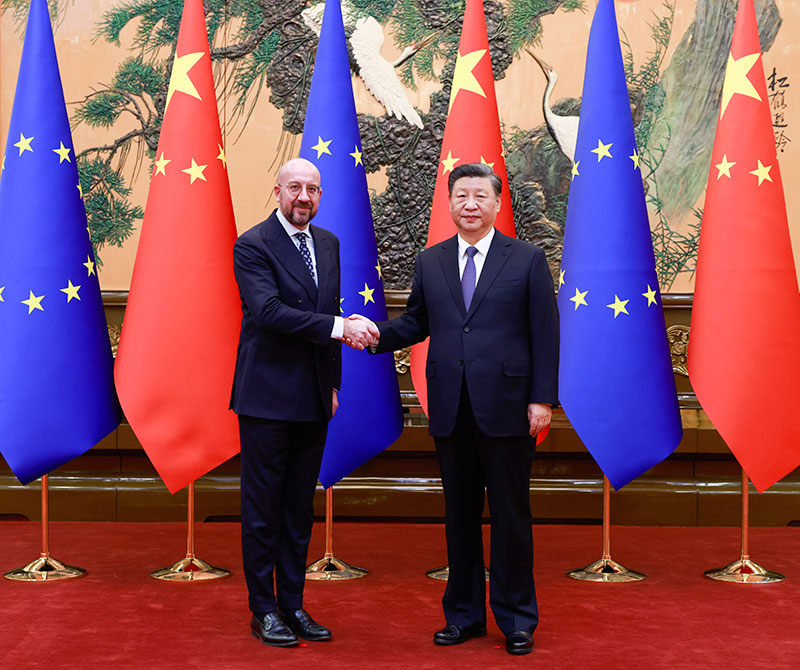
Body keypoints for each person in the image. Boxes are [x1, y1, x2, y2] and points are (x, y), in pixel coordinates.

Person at [354, 162, 558, 655]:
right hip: (451, 407)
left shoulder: (527, 259)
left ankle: (516, 619)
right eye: (461, 195)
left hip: (509, 407)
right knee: (459, 516)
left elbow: (545, 333)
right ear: (448, 203)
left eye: (480, 196)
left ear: (497, 203)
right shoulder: (432, 261)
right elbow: (417, 322)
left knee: (511, 517)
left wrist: (541, 399)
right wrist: (375, 334)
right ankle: (463, 616)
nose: (470, 204)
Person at [230, 157, 376, 647]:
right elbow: (269, 313)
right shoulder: (253, 244)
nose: (303, 197)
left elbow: (326, 312)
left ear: (320, 196)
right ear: (277, 192)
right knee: (263, 510)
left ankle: (292, 605)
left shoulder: (328, 243)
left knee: (298, 508)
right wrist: (340, 327)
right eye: (294, 187)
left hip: (313, 397)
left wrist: (331, 386)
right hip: (266, 399)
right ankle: (263, 610)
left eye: (312, 190)